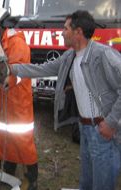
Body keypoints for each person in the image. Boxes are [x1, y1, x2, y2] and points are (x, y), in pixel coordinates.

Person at [8, 10, 121, 190]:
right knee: (86, 183)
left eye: (66, 28)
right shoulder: (70, 56)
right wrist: (10, 69)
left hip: (103, 132)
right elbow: (42, 69)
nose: (61, 32)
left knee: (102, 185)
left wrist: (111, 123)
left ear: (78, 32)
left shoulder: (104, 55)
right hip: (85, 129)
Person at [0, 9, 38, 190]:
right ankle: (8, 172)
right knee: (3, 138)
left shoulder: (17, 43)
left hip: (16, 103)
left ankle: (31, 178)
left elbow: (19, 69)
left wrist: (8, 80)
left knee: (22, 141)